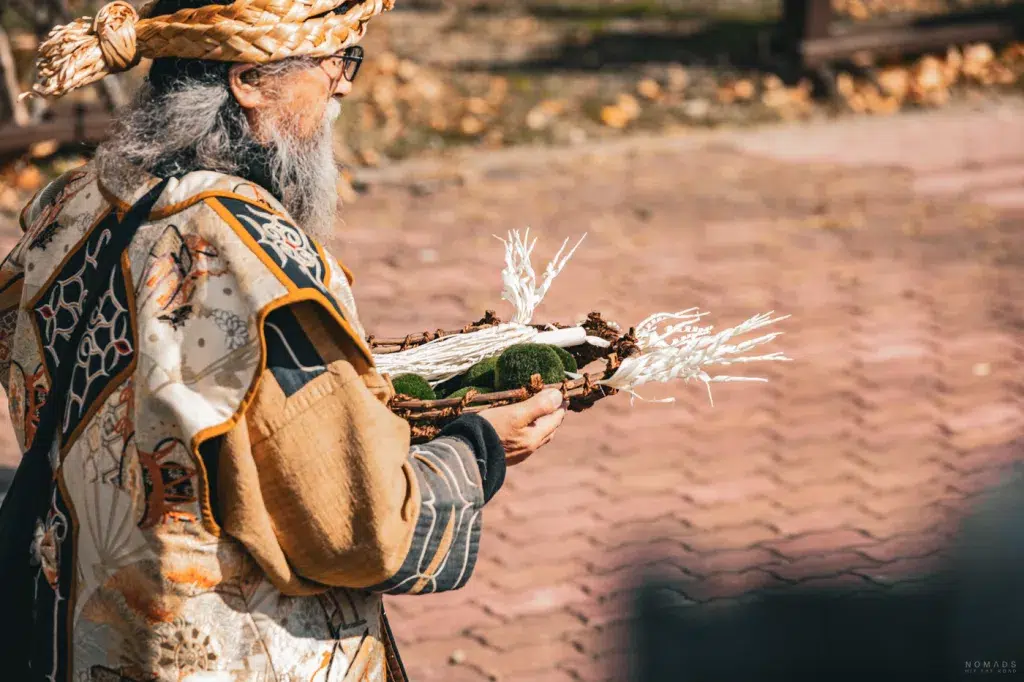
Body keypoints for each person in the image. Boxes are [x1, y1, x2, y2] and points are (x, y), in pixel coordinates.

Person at [0, 1, 566, 680]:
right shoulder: (251, 258)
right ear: (248, 81)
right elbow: (361, 525)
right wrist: (478, 450)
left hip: (67, 639)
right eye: (335, 62)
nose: (345, 85)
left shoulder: (71, 206)